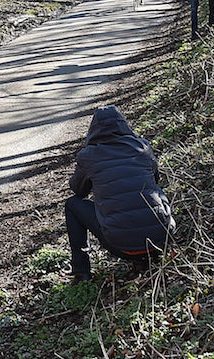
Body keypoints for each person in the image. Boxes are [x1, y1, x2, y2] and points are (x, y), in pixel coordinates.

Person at [65, 105, 175, 282]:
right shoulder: (143, 147)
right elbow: (155, 178)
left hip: (119, 245)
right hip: (162, 238)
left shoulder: (88, 156)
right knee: (155, 191)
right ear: (124, 125)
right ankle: (150, 257)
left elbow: (78, 191)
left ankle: (81, 272)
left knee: (72, 205)